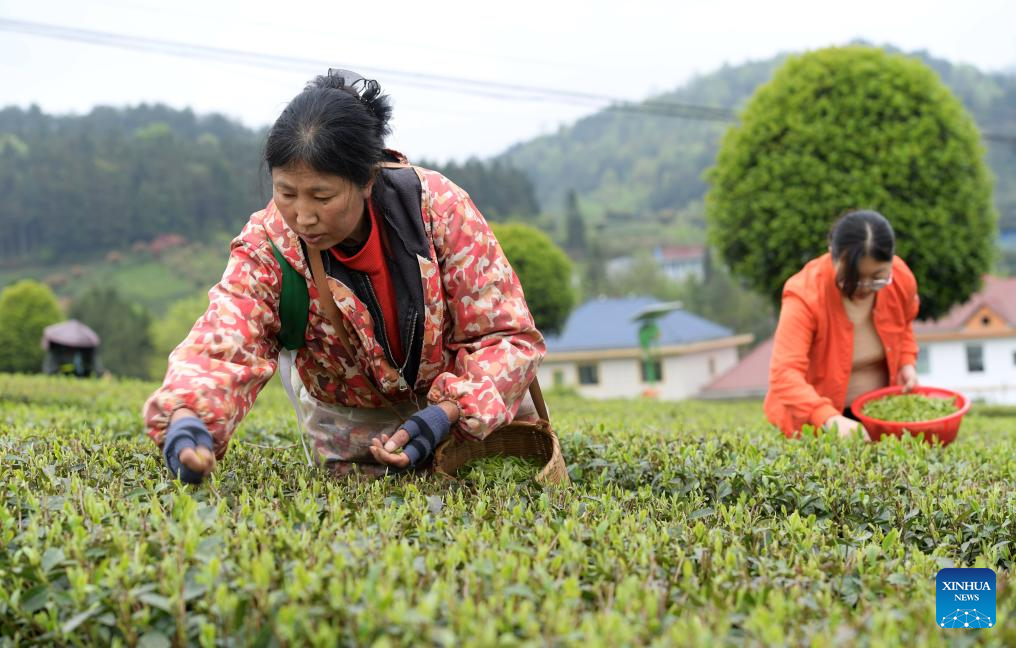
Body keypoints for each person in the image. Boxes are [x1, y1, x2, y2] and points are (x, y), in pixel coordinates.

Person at [143, 70, 545, 482]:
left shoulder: (438, 210)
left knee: (490, 488)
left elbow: (506, 335)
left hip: (467, 423)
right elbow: (226, 337)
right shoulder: (268, 246)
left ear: (367, 179)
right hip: (356, 440)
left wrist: (446, 413)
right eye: (286, 193)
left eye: (323, 196)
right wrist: (188, 418)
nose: (303, 216)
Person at [764, 210, 920, 439]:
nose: (864, 287)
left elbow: (904, 325)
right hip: (815, 423)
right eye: (852, 279)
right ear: (832, 255)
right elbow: (784, 373)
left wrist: (906, 363)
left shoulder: (901, 278)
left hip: (876, 414)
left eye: (877, 278)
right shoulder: (805, 294)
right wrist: (829, 418)